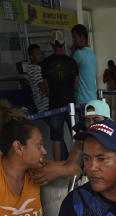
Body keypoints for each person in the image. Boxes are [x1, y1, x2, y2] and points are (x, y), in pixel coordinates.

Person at [30, 98, 111, 185]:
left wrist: (59, 170)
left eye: (96, 120)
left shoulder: (115, 141)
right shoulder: (82, 139)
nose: (91, 124)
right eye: (87, 120)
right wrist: (50, 166)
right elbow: (71, 165)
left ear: (107, 121)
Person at [41, 31, 79, 161]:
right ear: (63, 43)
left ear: (51, 44)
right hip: (71, 105)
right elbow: (75, 86)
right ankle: (78, 167)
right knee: (78, 137)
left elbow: (46, 89)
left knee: (56, 140)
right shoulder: (72, 62)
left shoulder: (45, 63)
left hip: (55, 105)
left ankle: (58, 169)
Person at [71, 24, 97, 107]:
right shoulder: (91, 53)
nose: (73, 41)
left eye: (74, 37)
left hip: (82, 101)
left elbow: (68, 65)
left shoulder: (79, 54)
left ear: (82, 37)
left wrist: (73, 52)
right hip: (92, 98)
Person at [22, 44, 49, 114]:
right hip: (45, 107)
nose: (40, 56)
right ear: (31, 57)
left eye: (41, 53)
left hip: (45, 107)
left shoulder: (38, 67)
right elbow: (43, 88)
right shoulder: (34, 69)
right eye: (37, 54)